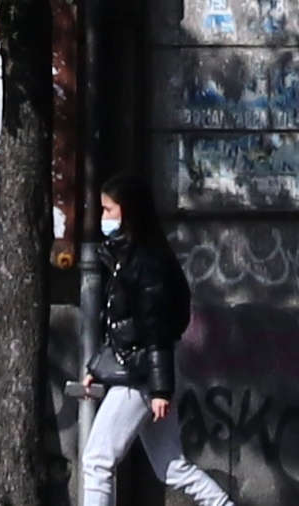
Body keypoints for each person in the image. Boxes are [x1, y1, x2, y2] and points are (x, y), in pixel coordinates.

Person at [77, 191, 233, 506]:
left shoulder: (145, 262)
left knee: (97, 460)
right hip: (144, 369)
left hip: (142, 373)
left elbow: (156, 327)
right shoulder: (130, 258)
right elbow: (124, 327)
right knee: (170, 466)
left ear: (129, 212)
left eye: (108, 209)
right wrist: (98, 369)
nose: (103, 217)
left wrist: (160, 389)